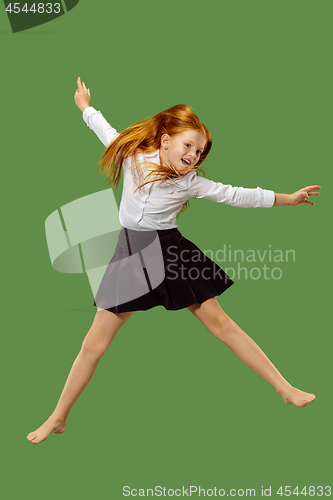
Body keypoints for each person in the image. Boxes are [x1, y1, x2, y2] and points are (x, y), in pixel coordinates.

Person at [26, 77, 320, 445]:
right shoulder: (132, 157)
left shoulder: (191, 182)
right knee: (92, 344)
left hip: (172, 252)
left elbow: (236, 195)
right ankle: (57, 417)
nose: (194, 156)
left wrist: (286, 198)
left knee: (222, 324)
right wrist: (86, 107)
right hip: (130, 254)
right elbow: (106, 131)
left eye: (199, 152)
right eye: (188, 146)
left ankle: (284, 387)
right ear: (165, 141)